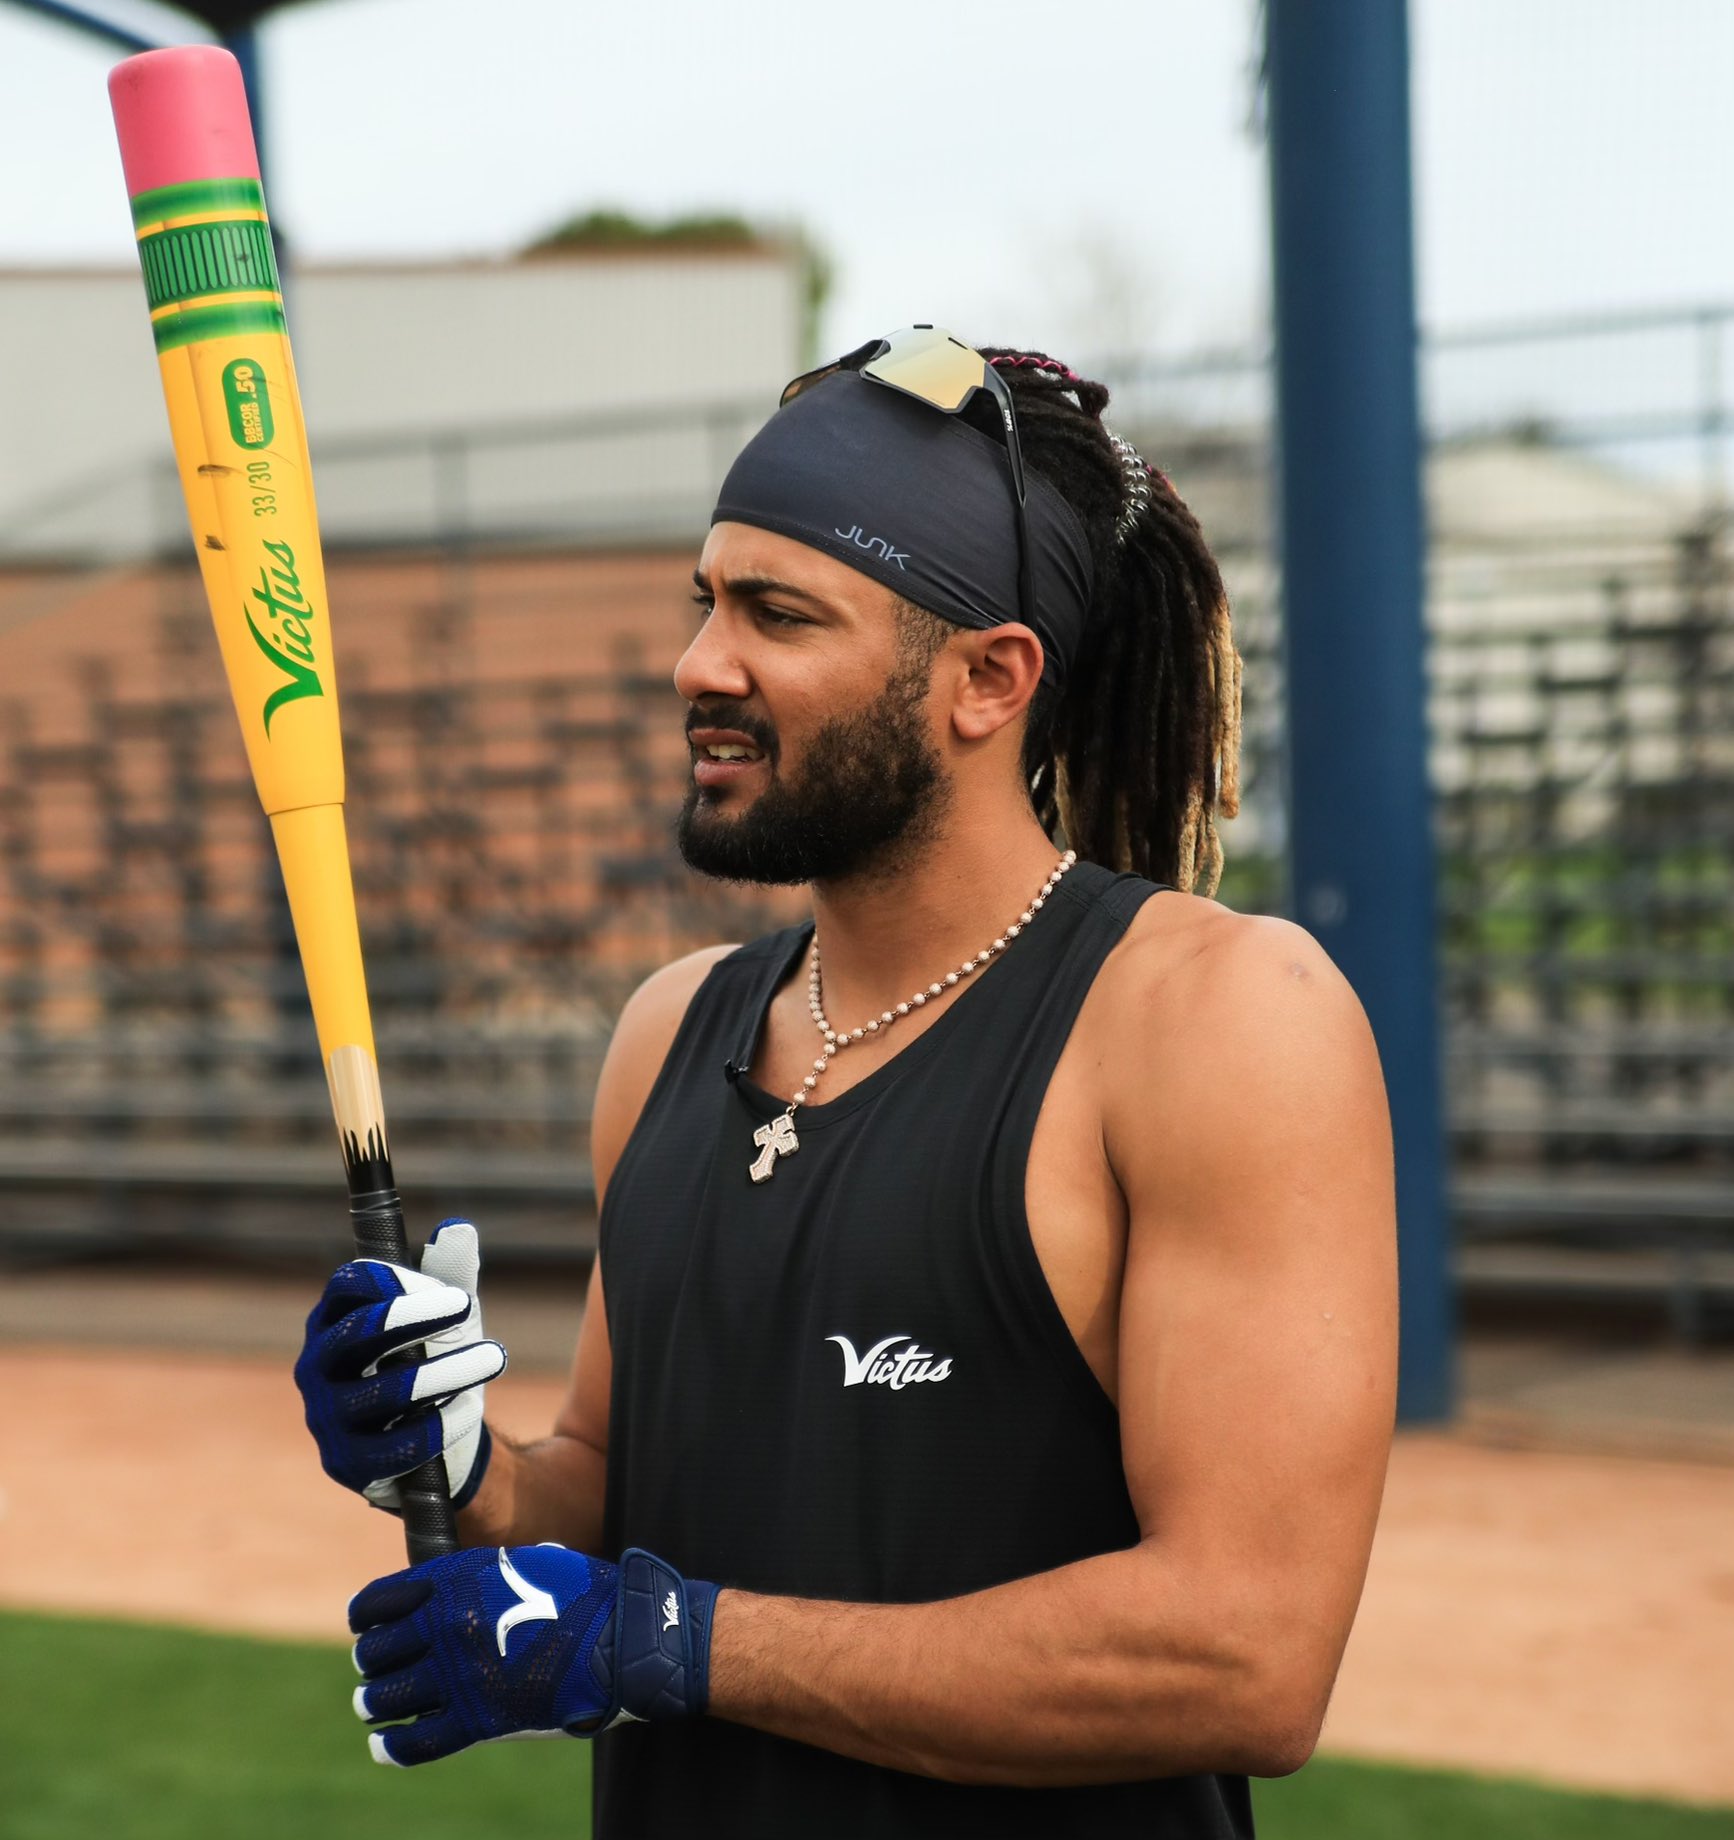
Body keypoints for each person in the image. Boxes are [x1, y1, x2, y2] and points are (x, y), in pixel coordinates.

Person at [297, 330, 1398, 1838]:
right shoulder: (670, 1030)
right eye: (703, 601)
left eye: (777, 614)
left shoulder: (1213, 1018)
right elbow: (617, 1494)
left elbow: (1241, 1658)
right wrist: (473, 1470)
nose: (699, 664)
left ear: (985, 680)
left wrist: (674, 1646)